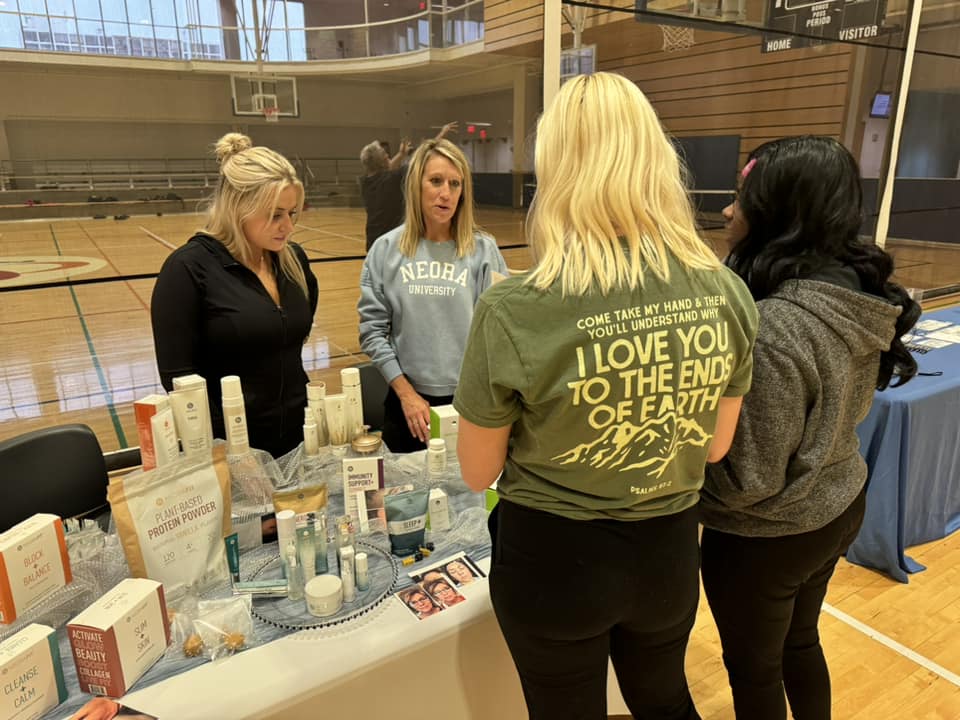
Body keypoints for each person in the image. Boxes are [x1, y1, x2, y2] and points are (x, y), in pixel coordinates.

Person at [453, 72, 759, 720]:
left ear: (557, 170)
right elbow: (714, 447)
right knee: (665, 699)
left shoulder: (514, 309)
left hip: (552, 563)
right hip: (669, 557)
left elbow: (479, 471)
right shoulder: (727, 294)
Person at [698, 136, 920, 720]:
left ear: (779, 213)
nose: (727, 211)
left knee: (755, 671)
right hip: (839, 503)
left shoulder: (774, 327)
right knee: (800, 641)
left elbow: (749, 478)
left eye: (743, 198)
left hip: (767, 538)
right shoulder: (857, 292)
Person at [151, 133, 318, 459]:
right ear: (237, 208)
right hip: (232, 452)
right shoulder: (186, 270)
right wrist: (229, 454)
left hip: (299, 440)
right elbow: (179, 382)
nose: (288, 226)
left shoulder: (293, 261)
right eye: (275, 215)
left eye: (292, 213)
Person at [359, 138, 508, 454]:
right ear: (416, 185)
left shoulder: (484, 250)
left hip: (470, 402)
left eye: (455, 184)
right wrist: (407, 394)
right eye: (436, 181)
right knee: (408, 501)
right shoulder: (386, 250)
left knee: (472, 498)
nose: (446, 193)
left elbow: (499, 333)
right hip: (408, 405)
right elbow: (372, 332)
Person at [360, 122, 458, 251]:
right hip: (391, 243)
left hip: (373, 241)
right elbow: (421, 157)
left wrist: (401, 154)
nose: (389, 157)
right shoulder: (393, 179)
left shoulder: (366, 182)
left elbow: (387, 169)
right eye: (386, 156)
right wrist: (442, 133)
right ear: (381, 162)